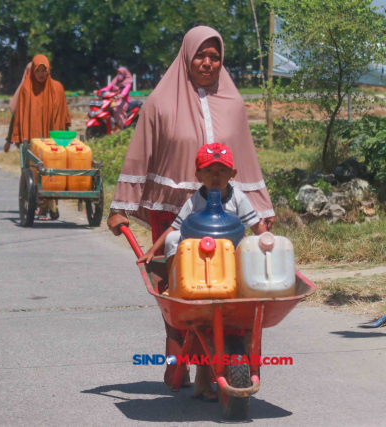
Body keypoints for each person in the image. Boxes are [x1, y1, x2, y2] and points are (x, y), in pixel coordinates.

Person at [106, 26, 275, 401]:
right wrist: (119, 207)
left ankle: (212, 367)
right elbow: (138, 155)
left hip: (227, 214)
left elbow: (245, 158)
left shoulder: (233, 103)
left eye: (215, 56)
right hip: (173, 213)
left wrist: (260, 209)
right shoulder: (159, 103)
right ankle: (176, 364)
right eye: (201, 55)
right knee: (180, 291)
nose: (208, 62)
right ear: (187, 55)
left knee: (223, 290)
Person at [138, 143, 267, 266]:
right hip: (200, 252)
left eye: (222, 170)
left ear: (232, 174)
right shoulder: (195, 201)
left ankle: (242, 280)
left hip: (231, 249)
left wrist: (272, 243)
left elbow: (255, 227)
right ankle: (173, 282)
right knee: (173, 238)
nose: (215, 176)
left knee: (248, 244)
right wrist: (152, 251)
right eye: (208, 171)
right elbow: (174, 228)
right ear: (199, 176)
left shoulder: (238, 198)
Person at [8, 54, 71, 219]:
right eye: (38, 71)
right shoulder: (26, 89)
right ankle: (44, 206)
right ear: (32, 72)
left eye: (44, 70)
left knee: (53, 170)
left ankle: (48, 205)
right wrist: (18, 136)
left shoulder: (57, 88)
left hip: (53, 138)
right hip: (34, 140)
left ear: (49, 70)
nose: (41, 74)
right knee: (37, 171)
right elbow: (19, 115)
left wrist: (62, 135)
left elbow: (63, 113)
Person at [5, 62, 32, 149]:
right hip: (25, 139)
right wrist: (9, 140)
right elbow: (15, 116)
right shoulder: (23, 92)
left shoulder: (49, 92)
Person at [99, 67, 133, 132]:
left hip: (123, 100)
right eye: (118, 73)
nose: (118, 75)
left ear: (124, 74)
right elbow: (108, 87)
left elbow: (125, 90)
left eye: (120, 73)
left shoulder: (127, 81)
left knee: (115, 108)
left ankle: (121, 126)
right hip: (113, 99)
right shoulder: (115, 80)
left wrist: (121, 95)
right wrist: (99, 91)